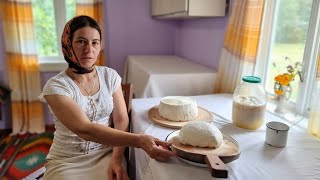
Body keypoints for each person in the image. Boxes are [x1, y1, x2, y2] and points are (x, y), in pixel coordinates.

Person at [39, 15, 175, 180]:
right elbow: (84, 129)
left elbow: (121, 120)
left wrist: (117, 159)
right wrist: (140, 141)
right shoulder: (56, 86)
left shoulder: (110, 76)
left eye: (95, 42)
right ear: (68, 44)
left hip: (108, 153)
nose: (89, 50)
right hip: (67, 159)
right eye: (81, 41)